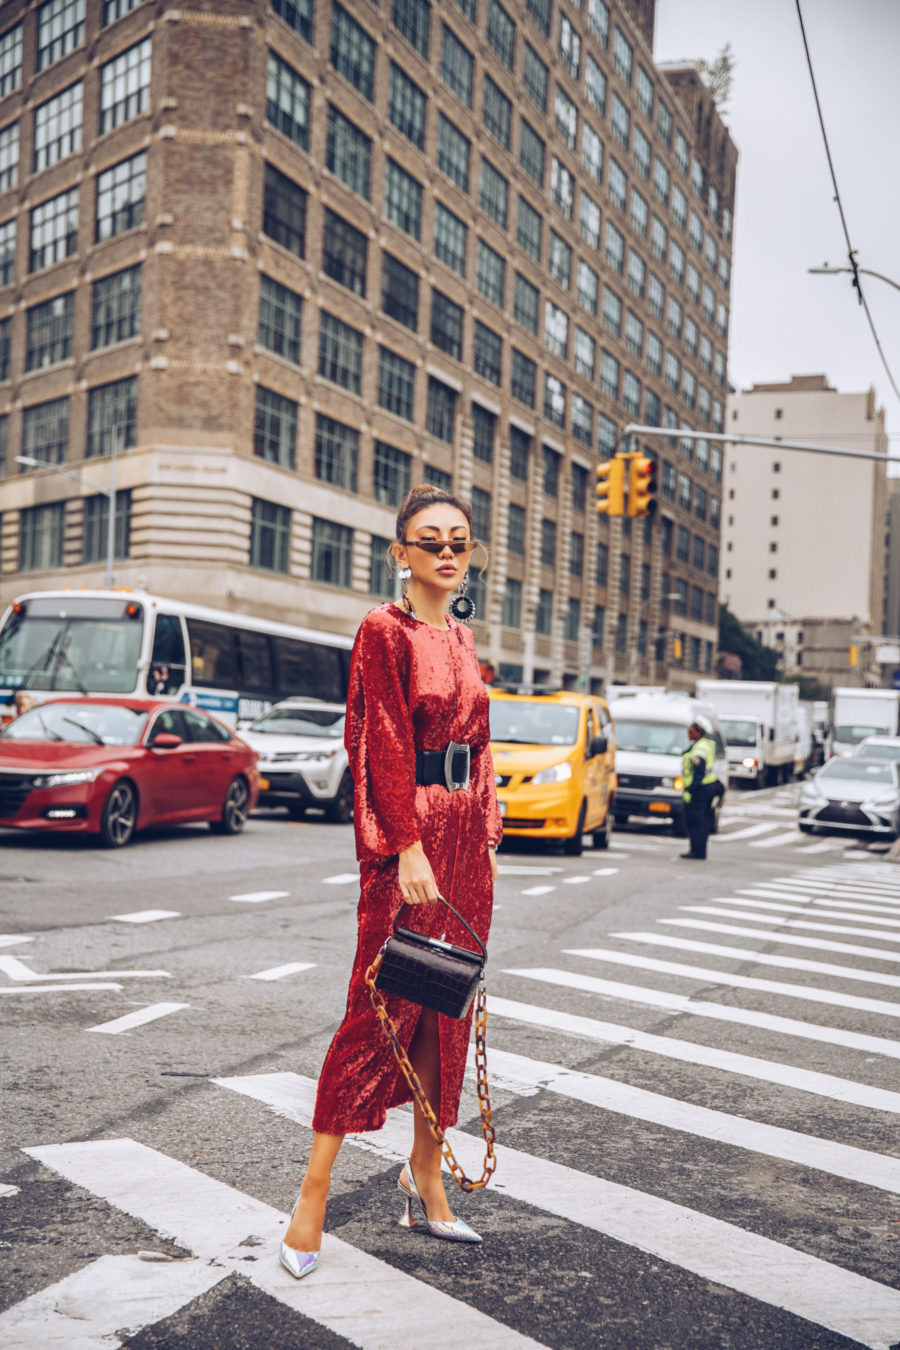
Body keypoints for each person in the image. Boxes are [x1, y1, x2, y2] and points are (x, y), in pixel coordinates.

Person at [279, 484, 502, 1279]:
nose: (448, 552)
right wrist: (405, 845)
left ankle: (428, 1179)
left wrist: (487, 834)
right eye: (431, 540)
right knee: (376, 1006)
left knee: (445, 1009)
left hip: (465, 839)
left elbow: (478, 745)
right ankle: (312, 1193)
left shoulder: (465, 635)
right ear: (400, 552)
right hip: (409, 840)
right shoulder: (384, 630)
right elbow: (378, 740)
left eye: (460, 541)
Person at [680, 716, 718, 860]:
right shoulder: (699, 744)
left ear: (698, 732)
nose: (688, 733)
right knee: (697, 820)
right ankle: (696, 849)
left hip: (701, 789)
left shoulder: (701, 747)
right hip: (702, 788)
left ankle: (698, 851)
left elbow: (699, 771)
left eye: (691, 731)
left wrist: (691, 788)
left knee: (698, 821)